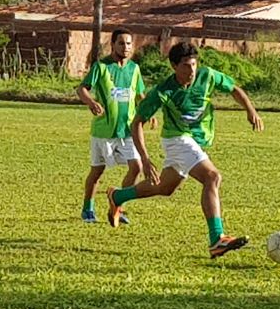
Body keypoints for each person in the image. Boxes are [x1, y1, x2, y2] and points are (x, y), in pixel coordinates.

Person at [106, 41, 263, 259]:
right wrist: (145, 158)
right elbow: (137, 123)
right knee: (212, 177)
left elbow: (234, 88)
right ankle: (217, 239)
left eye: (194, 65)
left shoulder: (206, 75)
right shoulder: (164, 90)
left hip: (194, 140)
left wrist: (250, 110)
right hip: (177, 139)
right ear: (173, 66)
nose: (192, 70)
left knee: (165, 188)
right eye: (186, 66)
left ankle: (118, 196)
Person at [77, 29, 144, 224]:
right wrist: (91, 102)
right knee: (97, 171)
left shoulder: (134, 69)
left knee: (136, 167)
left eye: (129, 43)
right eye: (121, 43)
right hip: (104, 131)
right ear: (113, 45)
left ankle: (118, 206)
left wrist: (148, 112)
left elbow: (140, 95)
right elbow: (82, 88)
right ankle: (87, 208)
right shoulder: (101, 67)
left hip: (128, 130)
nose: (126, 47)